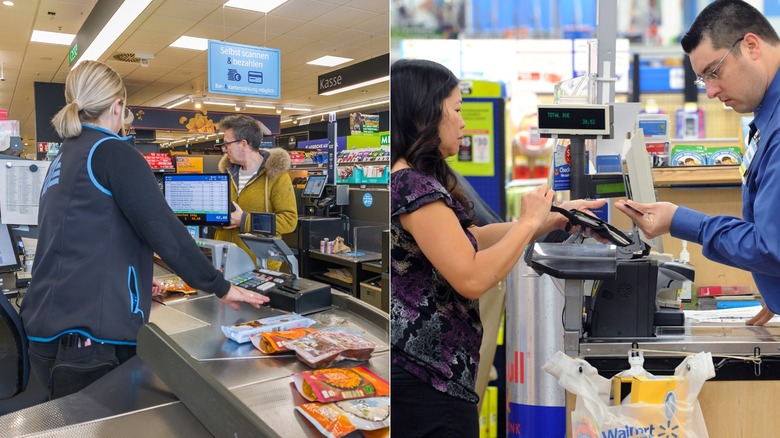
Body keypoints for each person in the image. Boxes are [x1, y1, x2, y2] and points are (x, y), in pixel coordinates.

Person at [10, 61, 269, 412]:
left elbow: (75, 239)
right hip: (90, 339)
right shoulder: (113, 152)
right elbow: (164, 229)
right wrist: (220, 285)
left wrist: (125, 280)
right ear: (118, 105)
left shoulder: (64, 157)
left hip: (46, 327)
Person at [390, 58, 606, 437]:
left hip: (430, 373)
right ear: (425, 113)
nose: (463, 123)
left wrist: (550, 219)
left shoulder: (416, 179)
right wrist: (526, 223)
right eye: (455, 110)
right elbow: (471, 276)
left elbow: (472, 236)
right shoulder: (413, 187)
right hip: (427, 378)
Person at [615, 0, 780, 327]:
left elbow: (771, 247)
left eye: (714, 72)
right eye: (703, 80)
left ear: (751, 46)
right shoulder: (766, 117)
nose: (712, 91)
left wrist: (683, 221)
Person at [214, 115, 296, 271]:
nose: (224, 149)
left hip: (260, 267)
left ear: (243, 144)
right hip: (225, 262)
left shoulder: (277, 176)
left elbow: (289, 221)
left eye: (227, 144)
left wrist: (245, 220)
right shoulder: (225, 174)